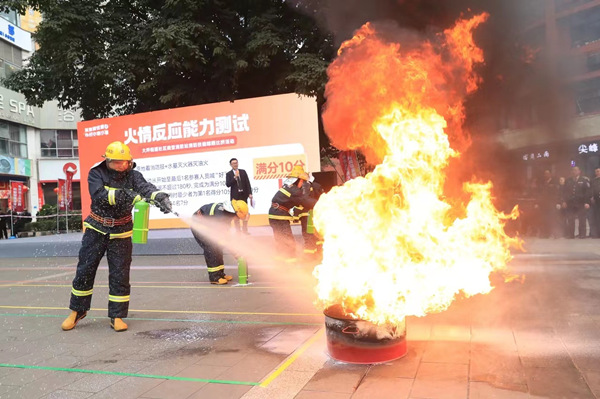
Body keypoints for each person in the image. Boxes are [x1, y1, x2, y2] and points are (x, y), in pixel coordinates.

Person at [61, 141, 172, 332]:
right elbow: (100, 195)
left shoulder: (134, 176)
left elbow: (145, 188)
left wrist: (159, 196)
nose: (121, 166)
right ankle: (77, 310)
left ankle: (117, 315)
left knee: (120, 274)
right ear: (108, 161)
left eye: (124, 162)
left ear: (130, 161)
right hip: (96, 229)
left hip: (122, 232)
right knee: (85, 270)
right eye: (116, 163)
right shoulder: (96, 173)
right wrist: (129, 196)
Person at [191, 199, 249, 284]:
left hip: (207, 226)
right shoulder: (221, 216)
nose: (238, 219)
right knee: (211, 248)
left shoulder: (227, 213)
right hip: (199, 227)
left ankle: (220, 274)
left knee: (218, 247)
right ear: (235, 213)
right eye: (238, 217)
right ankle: (214, 277)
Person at [269, 166, 317, 259]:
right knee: (287, 241)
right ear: (299, 180)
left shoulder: (290, 187)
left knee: (282, 240)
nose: (303, 184)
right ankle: (289, 264)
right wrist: (321, 202)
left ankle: (283, 261)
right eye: (302, 181)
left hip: (277, 214)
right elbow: (304, 200)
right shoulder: (294, 190)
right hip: (279, 215)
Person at [292, 174, 324, 258]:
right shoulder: (316, 186)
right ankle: (319, 253)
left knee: (308, 236)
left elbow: (300, 201)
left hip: (306, 215)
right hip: (316, 214)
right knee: (317, 235)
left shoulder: (302, 187)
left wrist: (295, 216)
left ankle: (309, 256)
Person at [562, 166, 591, 239]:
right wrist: (564, 201)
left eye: (575, 170)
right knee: (570, 219)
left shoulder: (584, 180)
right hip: (570, 203)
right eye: (573, 170)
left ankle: (582, 234)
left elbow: (587, 192)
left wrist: (587, 202)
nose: (574, 171)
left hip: (581, 202)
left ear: (579, 171)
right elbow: (564, 192)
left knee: (582, 219)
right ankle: (571, 234)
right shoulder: (568, 180)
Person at [225, 158, 253, 234]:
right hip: (235, 197)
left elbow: (247, 183)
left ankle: (245, 230)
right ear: (231, 165)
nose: (235, 164)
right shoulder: (229, 174)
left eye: (236, 163)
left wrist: (250, 193)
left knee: (245, 213)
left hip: (243, 196)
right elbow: (228, 184)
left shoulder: (243, 172)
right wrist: (235, 177)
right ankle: (238, 231)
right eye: (233, 163)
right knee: (236, 214)